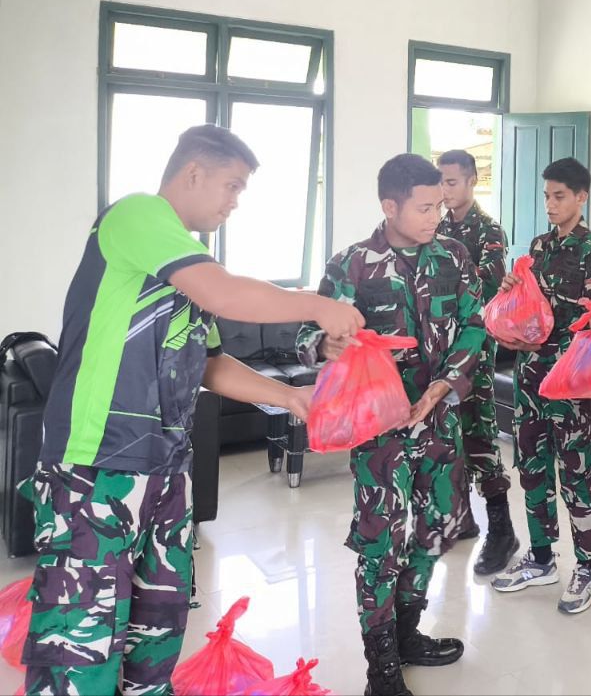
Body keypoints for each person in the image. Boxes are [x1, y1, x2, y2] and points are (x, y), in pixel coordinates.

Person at [22, 124, 363, 696]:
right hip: (95, 468)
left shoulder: (189, 267)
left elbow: (211, 363)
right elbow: (224, 293)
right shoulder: (136, 215)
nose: (235, 202)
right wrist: (316, 304)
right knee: (80, 645)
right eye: (232, 186)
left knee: (157, 629)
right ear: (193, 173)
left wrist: (289, 397)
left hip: (166, 470)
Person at [298, 153, 482, 696]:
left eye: (439, 205)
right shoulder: (353, 265)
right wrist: (324, 345)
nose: (435, 217)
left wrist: (443, 385)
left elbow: (475, 324)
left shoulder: (453, 256)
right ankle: (381, 669)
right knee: (383, 545)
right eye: (424, 208)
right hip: (382, 435)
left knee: (432, 531)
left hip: (440, 424)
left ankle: (407, 635)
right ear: (390, 207)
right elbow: (306, 337)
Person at [488, 157, 591, 614]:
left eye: (559, 196)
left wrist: (536, 306)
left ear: (581, 197)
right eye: (546, 196)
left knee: (576, 473)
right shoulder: (539, 247)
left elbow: (583, 317)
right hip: (530, 378)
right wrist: (511, 289)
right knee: (532, 468)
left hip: (568, 380)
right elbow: (526, 309)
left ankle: (588, 567)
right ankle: (541, 557)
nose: (550, 204)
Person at [434, 148, 520, 576]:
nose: (445, 190)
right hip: (441, 349)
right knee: (449, 437)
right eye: (440, 182)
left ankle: (502, 531)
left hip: (475, 349)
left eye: (451, 182)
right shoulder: (437, 225)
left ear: (471, 181)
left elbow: (486, 288)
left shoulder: (488, 231)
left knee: (479, 436)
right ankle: (462, 518)